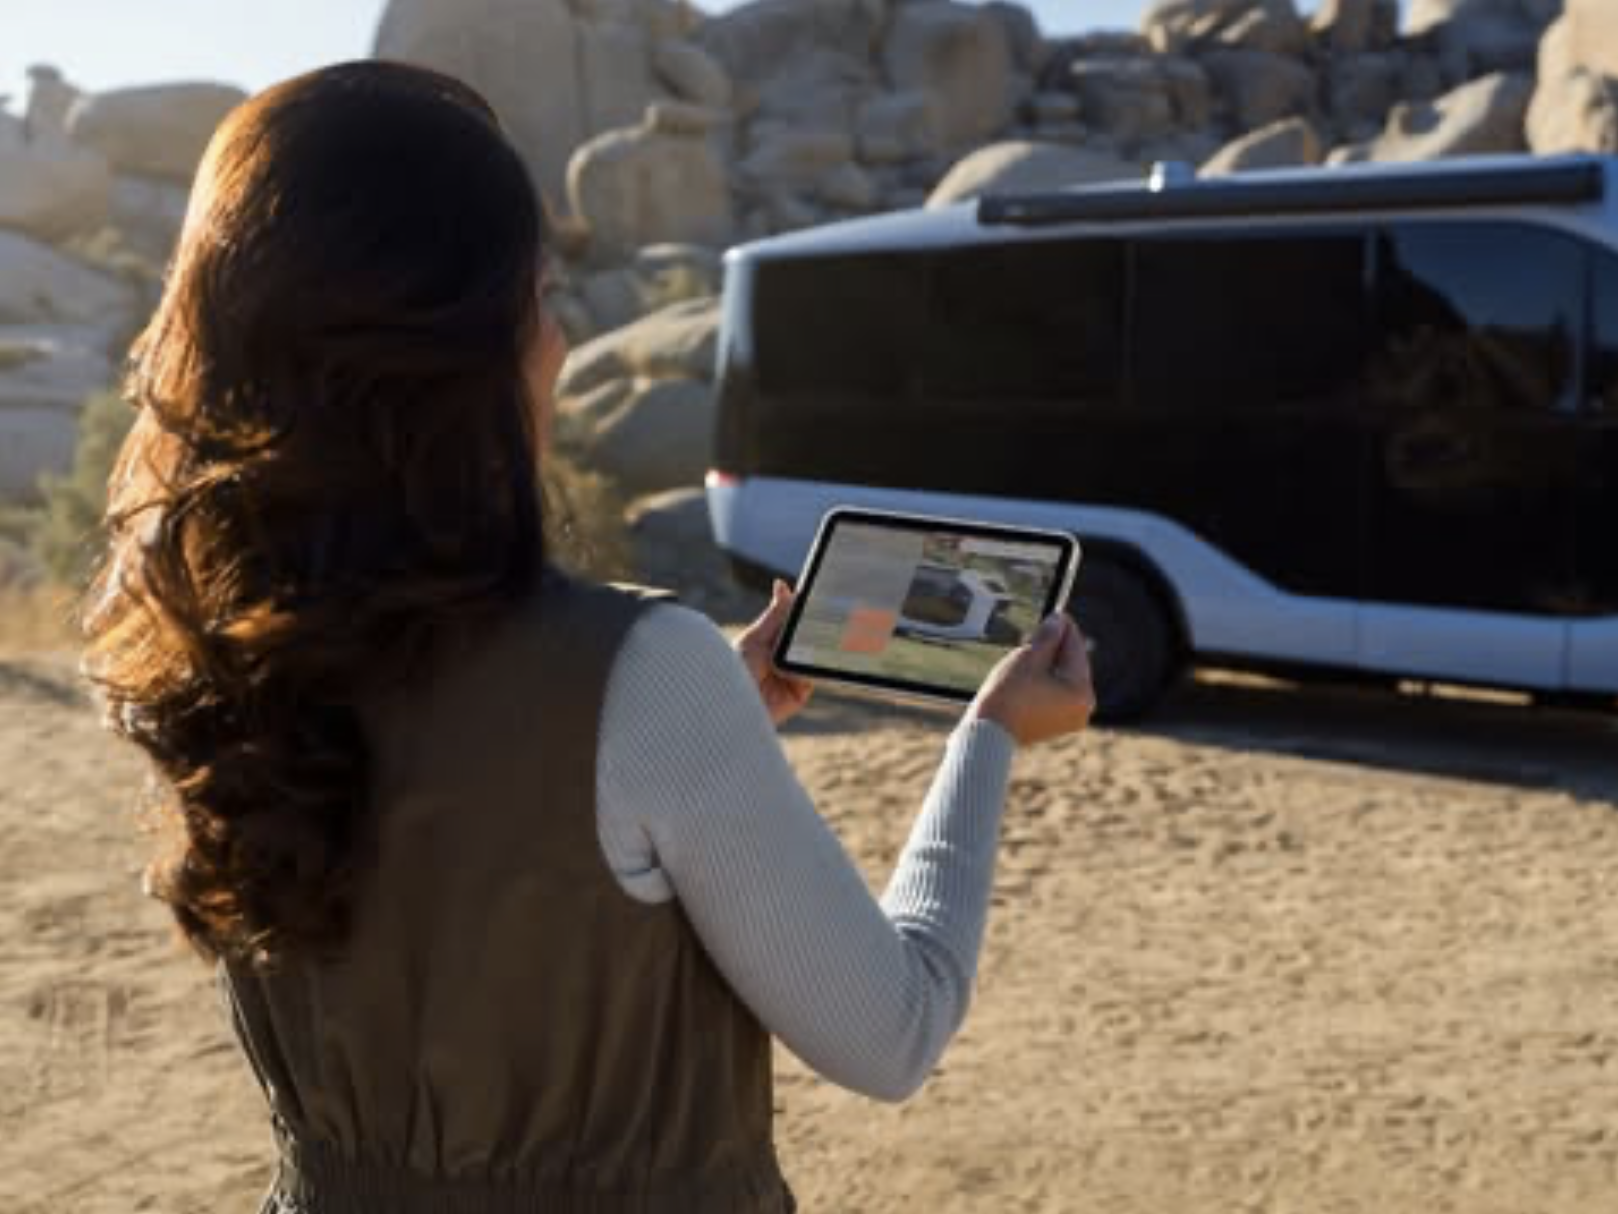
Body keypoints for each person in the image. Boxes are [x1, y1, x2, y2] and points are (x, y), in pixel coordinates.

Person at [81, 61, 1095, 1213]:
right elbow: (891, 1032)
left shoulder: (218, 661)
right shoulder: (645, 676)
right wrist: (990, 734)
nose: (559, 344)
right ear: (464, 351)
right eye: (544, 298)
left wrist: (698, 731)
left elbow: (467, 853)